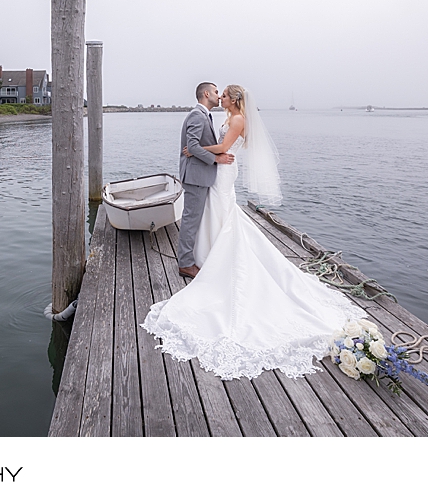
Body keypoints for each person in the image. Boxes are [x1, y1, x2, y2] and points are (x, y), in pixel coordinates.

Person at [142, 84, 365, 380]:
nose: (220, 97)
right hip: (216, 173)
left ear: (233, 100)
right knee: (214, 216)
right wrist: (206, 154)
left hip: (222, 173)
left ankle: (211, 258)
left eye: (223, 95)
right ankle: (205, 256)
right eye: (216, 93)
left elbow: (223, 149)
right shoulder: (220, 117)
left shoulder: (236, 120)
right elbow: (214, 146)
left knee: (222, 214)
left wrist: (205, 153)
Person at [176, 82, 235, 279]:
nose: (219, 96)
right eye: (217, 92)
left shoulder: (205, 116)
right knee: (190, 220)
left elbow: (197, 145)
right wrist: (216, 158)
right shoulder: (197, 115)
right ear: (206, 93)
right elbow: (192, 146)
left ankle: (193, 257)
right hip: (195, 176)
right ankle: (185, 264)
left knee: (194, 220)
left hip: (200, 176)